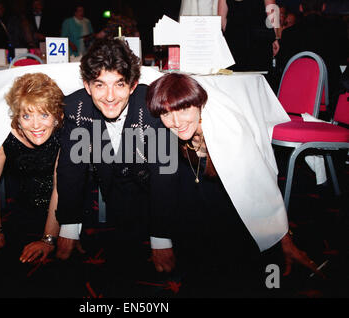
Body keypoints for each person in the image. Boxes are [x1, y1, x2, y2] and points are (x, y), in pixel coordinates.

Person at [145, 72, 325, 296]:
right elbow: (161, 183)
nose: (175, 122)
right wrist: (161, 240)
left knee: (243, 267)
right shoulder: (167, 130)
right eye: (165, 114)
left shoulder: (228, 132)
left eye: (183, 110)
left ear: (199, 105)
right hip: (195, 192)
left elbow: (259, 185)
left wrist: (283, 239)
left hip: (231, 198)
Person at [54, 38, 174, 296]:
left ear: (132, 86)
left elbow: (164, 175)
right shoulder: (75, 109)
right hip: (115, 192)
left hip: (162, 195)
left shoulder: (152, 106)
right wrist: (69, 227)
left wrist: (162, 237)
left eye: (119, 84)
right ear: (87, 86)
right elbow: (71, 170)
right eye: (100, 85)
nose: (109, 97)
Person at [0, 73, 64, 264]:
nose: (36, 125)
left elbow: (59, 188)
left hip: (65, 212)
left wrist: (48, 239)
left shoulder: (63, 136)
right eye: (27, 115)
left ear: (56, 117)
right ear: (17, 118)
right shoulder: (6, 139)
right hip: (23, 209)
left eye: (44, 114)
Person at [277, 0, 348, 116]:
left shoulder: (289, 33)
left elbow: (283, 65)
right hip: (328, 92)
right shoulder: (337, 29)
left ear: (300, 8)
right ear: (324, 7)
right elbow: (343, 57)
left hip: (297, 94)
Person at [218, 0, 280, 71]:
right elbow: (271, 10)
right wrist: (275, 37)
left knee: (235, 76)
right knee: (258, 76)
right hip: (258, 39)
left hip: (234, 39)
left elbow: (222, 19)